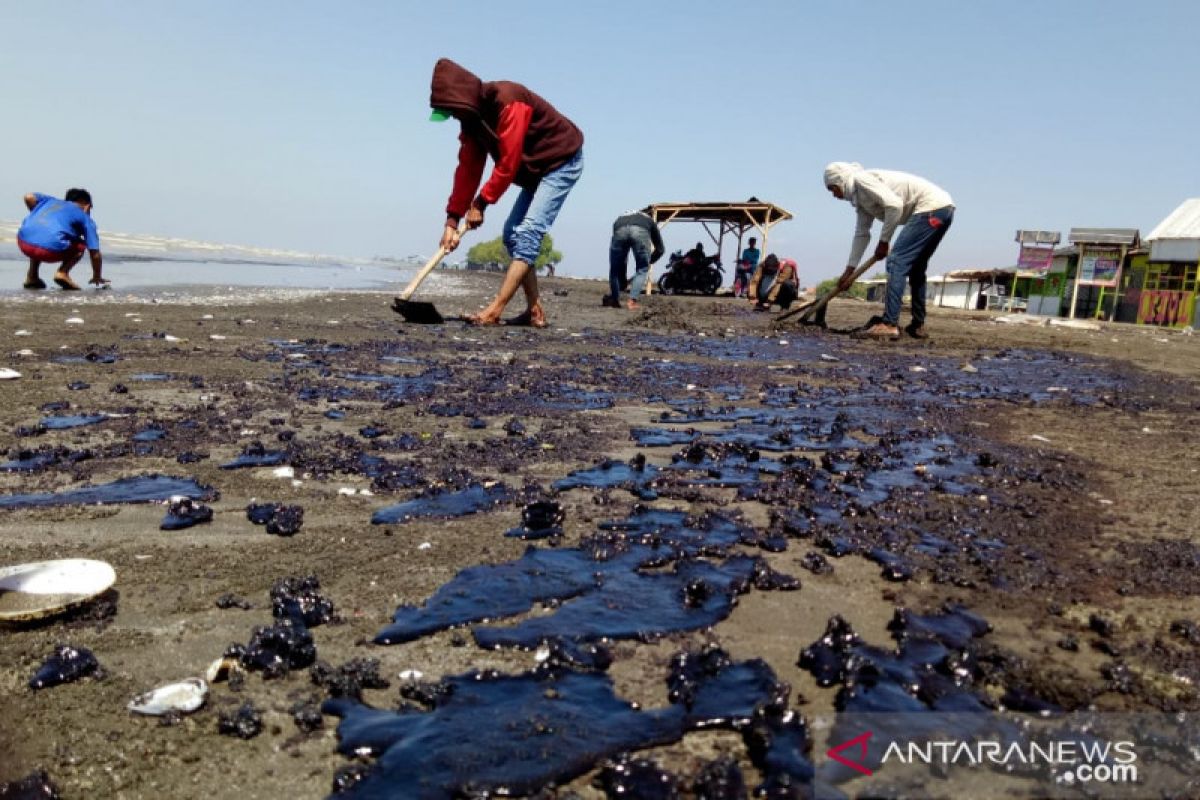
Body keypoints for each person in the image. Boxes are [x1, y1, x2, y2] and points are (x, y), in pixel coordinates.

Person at [429, 58, 584, 328]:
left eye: (452, 111)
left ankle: (494, 310)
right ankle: (535, 311)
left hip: (561, 161)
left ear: (461, 99)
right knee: (512, 234)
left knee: (528, 232)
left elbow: (508, 164)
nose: (453, 117)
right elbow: (468, 168)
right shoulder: (472, 122)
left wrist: (480, 203)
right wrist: (452, 220)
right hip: (535, 170)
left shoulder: (509, 101)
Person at [824, 162, 954, 339]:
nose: (834, 195)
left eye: (833, 189)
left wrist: (884, 242)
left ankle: (889, 324)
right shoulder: (861, 200)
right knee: (916, 267)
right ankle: (917, 325)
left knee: (896, 260)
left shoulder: (861, 180)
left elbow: (894, 206)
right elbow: (862, 234)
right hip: (943, 210)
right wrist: (850, 270)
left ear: (840, 181)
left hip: (930, 208)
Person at [16, 189, 108, 290]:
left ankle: (32, 276)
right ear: (87, 205)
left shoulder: (49, 202)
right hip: (49, 250)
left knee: (39, 237)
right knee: (80, 245)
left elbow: (28, 196)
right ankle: (62, 273)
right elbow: (94, 252)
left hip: (23, 241)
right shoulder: (85, 219)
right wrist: (97, 276)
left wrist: (36, 212)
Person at [606, 209, 664, 309]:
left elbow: (622, 261)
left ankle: (614, 300)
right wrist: (649, 262)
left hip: (619, 229)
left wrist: (623, 280)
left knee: (615, 269)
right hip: (640, 232)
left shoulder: (620, 217)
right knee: (642, 269)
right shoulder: (649, 220)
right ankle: (632, 302)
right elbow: (660, 249)